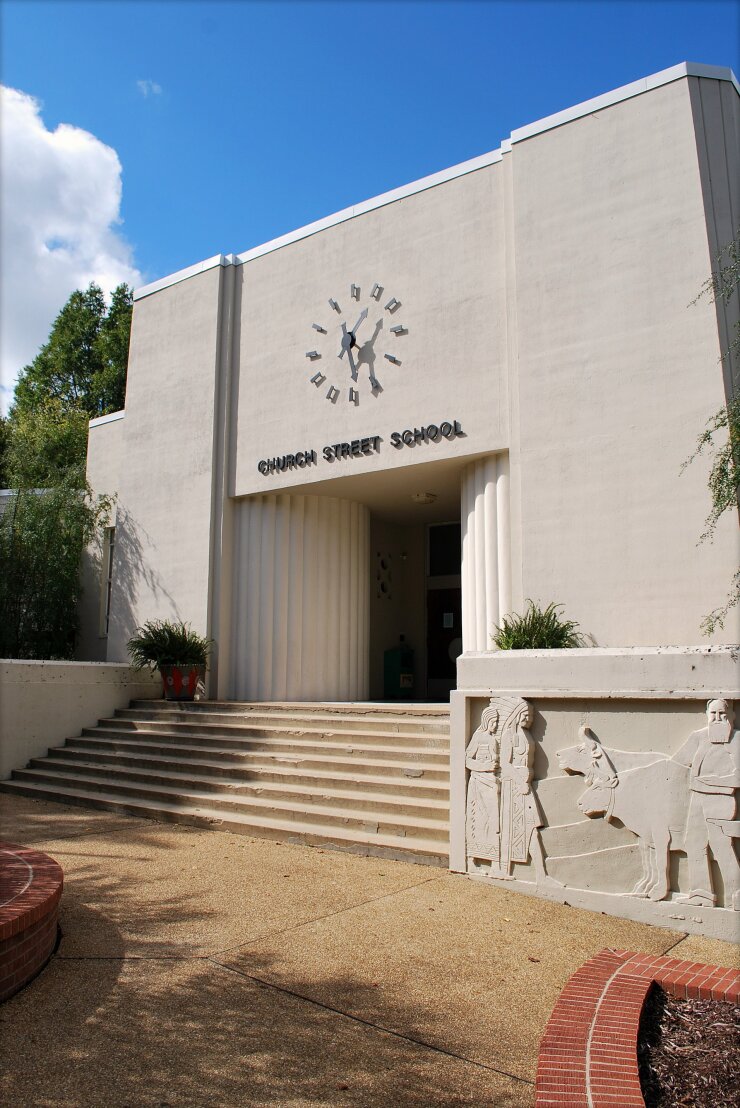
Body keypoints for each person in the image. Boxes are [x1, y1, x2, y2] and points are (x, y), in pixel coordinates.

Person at [672, 698, 740, 910]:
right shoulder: (699, 737)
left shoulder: (737, 740)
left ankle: (736, 896)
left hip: (721, 800)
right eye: (713, 714)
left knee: (722, 848)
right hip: (697, 799)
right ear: (707, 714)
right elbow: (677, 763)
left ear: (731, 716)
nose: (718, 718)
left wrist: (714, 781)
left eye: (722, 714)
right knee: (694, 844)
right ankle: (701, 894)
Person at [465, 702, 501, 871]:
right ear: (487, 721)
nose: (495, 726)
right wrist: (484, 766)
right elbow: (467, 759)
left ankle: (494, 861)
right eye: (493, 722)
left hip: (491, 784)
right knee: (477, 820)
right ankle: (472, 860)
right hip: (478, 783)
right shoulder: (478, 737)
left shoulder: (494, 740)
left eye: (497, 723)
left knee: (493, 821)